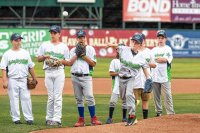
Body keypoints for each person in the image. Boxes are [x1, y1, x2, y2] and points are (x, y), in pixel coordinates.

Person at [107, 33, 151, 126]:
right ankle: (131, 109)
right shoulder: (124, 49)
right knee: (123, 98)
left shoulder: (141, 57)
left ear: (139, 45)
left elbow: (145, 68)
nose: (134, 43)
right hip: (121, 79)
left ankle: (132, 116)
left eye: (136, 42)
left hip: (131, 78)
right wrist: (110, 45)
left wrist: (148, 79)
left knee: (128, 95)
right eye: (133, 41)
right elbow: (117, 45)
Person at [37, 25, 76, 126]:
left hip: (59, 72)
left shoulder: (64, 47)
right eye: (51, 33)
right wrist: (45, 56)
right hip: (48, 72)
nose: (52, 34)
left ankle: (57, 118)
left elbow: (68, 62)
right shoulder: (44, 45)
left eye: (54, 33)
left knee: (57, 96)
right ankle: (49, 118)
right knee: (50, 97)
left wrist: (60, 61)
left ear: (59, 34)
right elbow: (38, 59)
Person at [0, 33, 37, 125]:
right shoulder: (7, 54)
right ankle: (16, 119)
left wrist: (34, 78)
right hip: (12, 79)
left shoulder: (25, 53)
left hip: (24, 79)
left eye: (19, 40)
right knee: (13, 99)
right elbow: (3, 68)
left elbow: (30, 67)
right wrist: (4, 81)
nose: (18, 42)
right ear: (11, 41)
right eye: (16, 40)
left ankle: (29, 119)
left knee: (26, 98)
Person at [69, 30, 102, 127]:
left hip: (86, 76)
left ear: (85, 38)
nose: (81, 39)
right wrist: (77, 54)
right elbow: (70, 63)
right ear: (77, 39)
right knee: (79, 98)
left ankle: (93, 118)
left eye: (83, 37)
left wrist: (83, 55)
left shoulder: (90, 49)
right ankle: (81, 120)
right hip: (75, 76)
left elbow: (93, 63)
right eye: (79, 37)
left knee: (90, 97)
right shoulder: (72, 50)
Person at [151, 30, 175, 117]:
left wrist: (156, 59)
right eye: (159, 38)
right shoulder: (153, 50)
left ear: (165, 39)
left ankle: (170, 113)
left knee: (167, 95)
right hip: (154, 76)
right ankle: (158, 112)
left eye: (162, 38)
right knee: (156, 96)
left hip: (165, 76)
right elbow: (150, 62)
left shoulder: (168, 49)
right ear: (157, 39)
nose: (160, 39)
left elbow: (164, 60)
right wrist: (158, 59)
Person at [133, 33, 155, 119]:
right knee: (134, 101)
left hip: (146, 80)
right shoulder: (133, 52)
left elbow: (154, 65)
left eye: (140, 40)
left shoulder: (149, 52)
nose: (139, 42)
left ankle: (145, 120)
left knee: (145, 100)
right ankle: (132, 118)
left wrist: (145, 63)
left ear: (143, 41)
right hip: (136, 80)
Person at [106, 44, 127, 124]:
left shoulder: (127, 61)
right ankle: (110, 118)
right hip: (116, 85)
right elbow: (111, 73)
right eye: (118, 49)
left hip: (125, 84)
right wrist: (119, 73)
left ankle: (124, 117)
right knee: (112, 101)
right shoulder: (114, 61)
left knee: (124, 102)